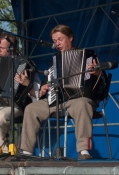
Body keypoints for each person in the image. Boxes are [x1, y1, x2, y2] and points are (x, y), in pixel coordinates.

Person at [20, 24, 104, 160]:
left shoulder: (88, 56)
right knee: (31, 108)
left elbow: (102, 83)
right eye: (54, 41)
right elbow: (48, 81)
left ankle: (83, 150)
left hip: (78, 99)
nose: (57, 44)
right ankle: (26, 152)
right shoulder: (54, 61)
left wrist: (97, 72)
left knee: (83, 104)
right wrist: (44, 87)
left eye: (60, 39)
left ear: (70, 38)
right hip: (57, 99)